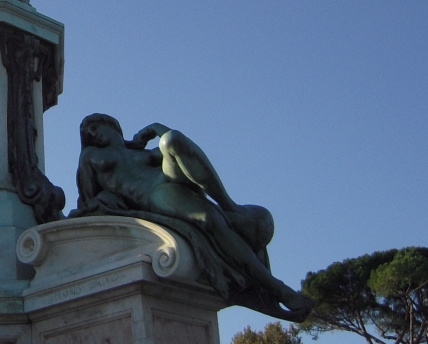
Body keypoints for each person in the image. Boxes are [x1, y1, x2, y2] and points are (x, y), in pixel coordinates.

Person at [74, 114, 312, 320]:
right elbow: (88, 198)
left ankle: (229, 206)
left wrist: (155, 128)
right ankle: (279, 290)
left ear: (113, 126)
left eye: (95, 127)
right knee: (209, 219)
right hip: (155, 195)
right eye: (88, 133)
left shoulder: (140, 153)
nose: (92, 134)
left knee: (171, 139)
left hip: (166, 178)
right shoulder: (90, 155)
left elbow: (184, 152)